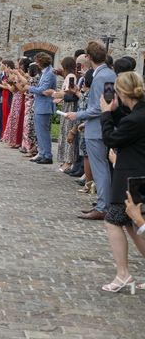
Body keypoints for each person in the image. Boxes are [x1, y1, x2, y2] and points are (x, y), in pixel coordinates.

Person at [98, 71, 145, 293]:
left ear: (120, 92)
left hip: (130, 176)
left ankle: (123, 274)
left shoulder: (136, 119)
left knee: (113, 221)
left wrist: (106, 114)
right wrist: (115, 113)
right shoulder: (138, 113)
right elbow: (127, 125)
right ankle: (123, 274)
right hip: (136, 174)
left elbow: (111, 138)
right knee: (134, 224)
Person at [70, 41, 116, 220]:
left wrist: (78, 115)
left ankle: (103, 206)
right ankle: (104, 203)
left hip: (97, 129)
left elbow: (100, 106)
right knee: (102, 167)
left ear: (88, 58)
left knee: (100, 169)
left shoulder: (100, 76)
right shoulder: (108, 73)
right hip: (102, 125)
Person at [27, 52, 57, 164]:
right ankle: (42, 152)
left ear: (40, 62)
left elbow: (43, 90)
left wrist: (29, 87)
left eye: (37, 61)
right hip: (40, 105)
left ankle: (47, 155)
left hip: (44, 106)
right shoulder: (45, 72)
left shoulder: (49, 73)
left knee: (43, 132)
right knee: (39, 132)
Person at [51, 57, 79, 172]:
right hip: (66, 105)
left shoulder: (71, 76)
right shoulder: (68, 76)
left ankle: (68, 160)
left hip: (70, 106)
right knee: (63, 132)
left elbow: (67, 92)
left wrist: (56, 94)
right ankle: (64, 159)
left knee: (67, 132)